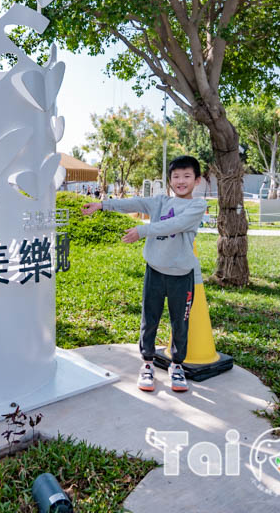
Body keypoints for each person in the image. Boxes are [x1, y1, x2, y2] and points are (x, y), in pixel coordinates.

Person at [81, 155, 207, 393]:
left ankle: (177, 366)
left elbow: (175, 225)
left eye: (187, 176)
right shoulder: (159, 202)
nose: (181, 181)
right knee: (149, 318)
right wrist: (102, 205)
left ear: (197, 180)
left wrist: (143, 230)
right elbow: (135, 203)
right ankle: (147, 363)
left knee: (180, 322)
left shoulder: (196, 206)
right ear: (169, 180)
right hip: (155, 272)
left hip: (182, 275)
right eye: (176, 176)